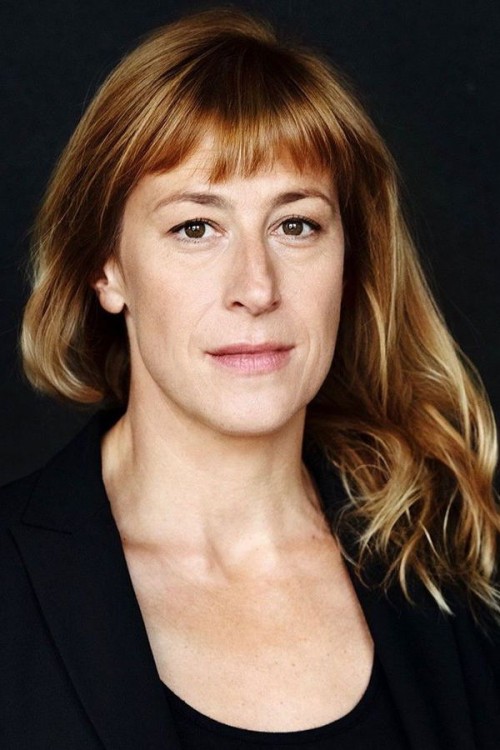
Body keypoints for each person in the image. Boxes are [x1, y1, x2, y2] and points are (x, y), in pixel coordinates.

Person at [1, 7, 499, 749]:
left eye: (296, 225)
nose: (256, 288)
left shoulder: (455, 562)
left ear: (349, 259)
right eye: (195, 228)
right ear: (106, 269)